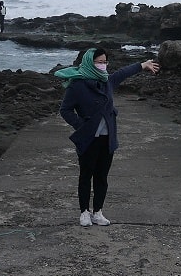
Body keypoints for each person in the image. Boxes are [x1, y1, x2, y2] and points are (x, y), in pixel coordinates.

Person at [56, 47, 160, 227]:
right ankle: (84, 213)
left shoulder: (107, 81)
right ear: (90, 62)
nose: (103, 65)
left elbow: (123, 73)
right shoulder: (77, 85)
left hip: (107, 138)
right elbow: (65, 110)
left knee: (102, 177)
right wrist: (81, 125)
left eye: (105, 62)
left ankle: (98, 212)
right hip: (88, 138)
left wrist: (143, 65)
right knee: (85, 176)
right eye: (99, 62)